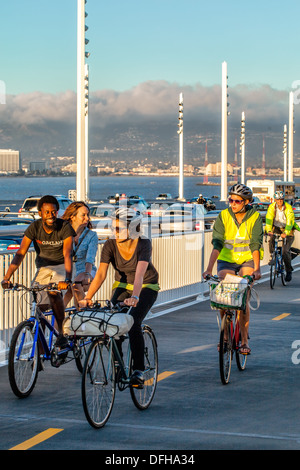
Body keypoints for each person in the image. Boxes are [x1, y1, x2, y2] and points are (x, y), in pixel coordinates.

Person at [79, 207, 159, 387]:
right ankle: (118, 364)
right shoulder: (109, 245)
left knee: (133, 321)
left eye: (118, 228)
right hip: (122, 285)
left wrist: (136, 297)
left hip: (146, 285)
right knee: (112, 323)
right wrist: (88, 297)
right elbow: (100, 274)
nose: (113, 232)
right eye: (112, 227)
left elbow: (139, 275)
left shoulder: (143, 243)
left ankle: (138, 369)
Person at [1, 195, 75, 348]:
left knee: (54, 293)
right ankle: (39, 352)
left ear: (57, 211)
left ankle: (61, 332)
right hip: (43, 268)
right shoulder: (34, 227)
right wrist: (7, 277)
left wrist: (67, 279)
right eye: (46, 212)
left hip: (62, 265)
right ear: (40, 213)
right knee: (37, 306)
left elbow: (68, 253)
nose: (50, 215)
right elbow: (20, 253)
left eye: (53, 212)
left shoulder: (65, 227)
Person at [202, 183, 263, 355]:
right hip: (227, 261)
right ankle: (226, 335)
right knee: (224, 295)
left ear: (246, 202)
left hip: (247, 260)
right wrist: (208, 269)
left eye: (237, 201)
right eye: (231, 200)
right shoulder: (223, 216)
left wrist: (257, 269)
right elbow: (217, 243)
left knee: (243, 296)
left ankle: (244, 341)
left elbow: (255, 244)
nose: (232, 204)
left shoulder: (254, 217)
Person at [62, 201, 98, 308]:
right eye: (83, 215)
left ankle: (81, 312)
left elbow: (90, 258)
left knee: (76, 284)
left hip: (86, 270)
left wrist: (87, 274)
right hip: (69, 270)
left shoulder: (92, 235)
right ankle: (60, 320)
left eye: (88, 215)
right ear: (72, 217)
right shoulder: (64, 233)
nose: (87, 218)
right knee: (68, 293)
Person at [265, 191, 295, 282]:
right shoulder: (272, 207)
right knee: (272, 239)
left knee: (285, 251)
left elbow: (290, 221)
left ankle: (289, 270)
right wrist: (269, 230)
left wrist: (286, 232)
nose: (279, 201)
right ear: (275, 200)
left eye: (281, 200)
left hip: (287, 228)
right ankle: (272, 255)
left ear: (283, 200)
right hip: (277, 227)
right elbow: (269, 219)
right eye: (278, 200)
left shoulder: (288, 208)